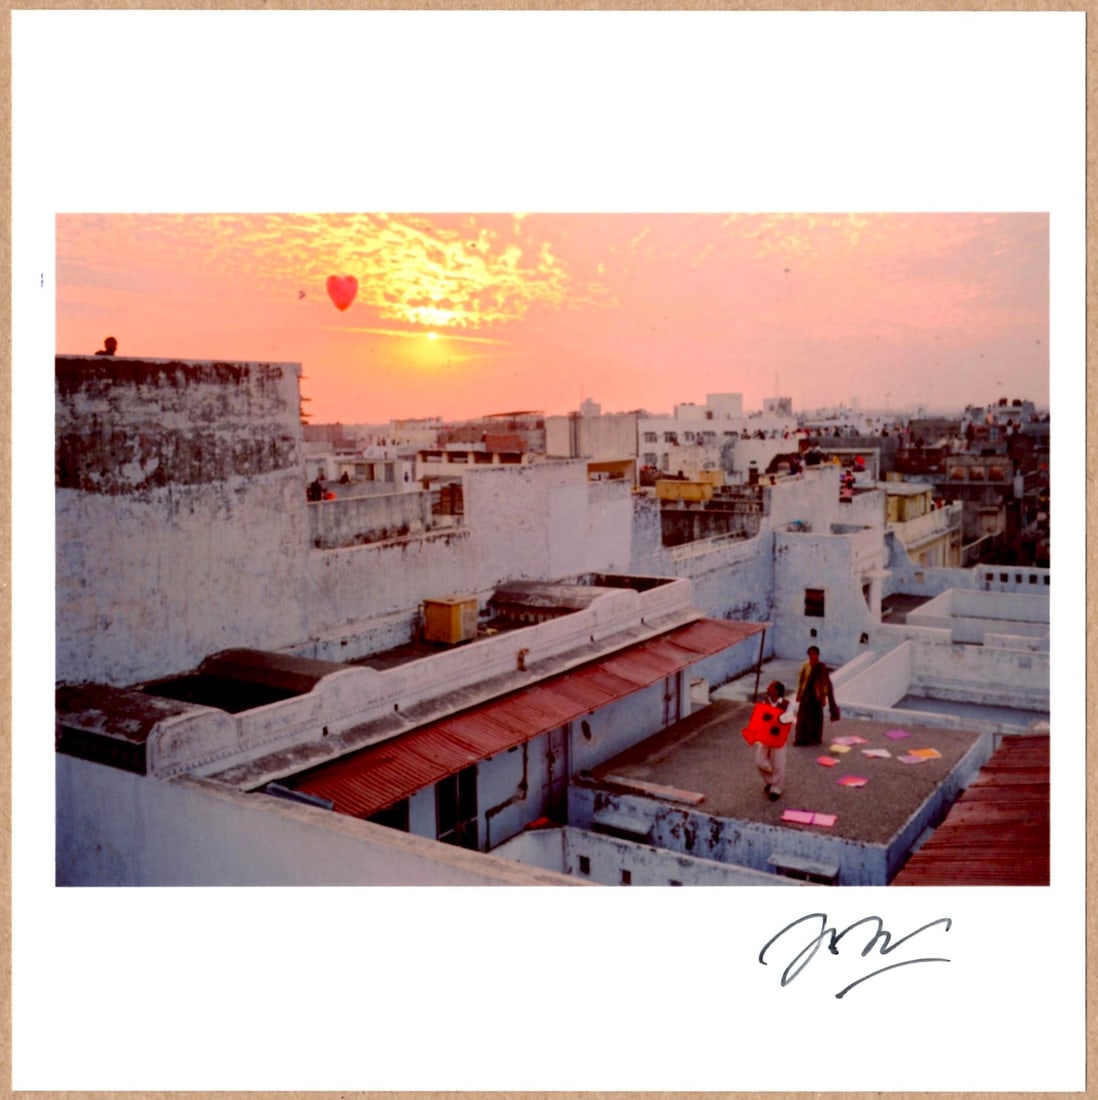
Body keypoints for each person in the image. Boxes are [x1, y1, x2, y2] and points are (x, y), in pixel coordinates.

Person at [742, 680, 793, 801]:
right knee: (759, 761)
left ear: (777, 691)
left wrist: (777, 718)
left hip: (779, 738)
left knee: (779, 763)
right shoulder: (765, 702)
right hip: (766, 737)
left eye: (771, 687)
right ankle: (771, 780)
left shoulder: (787, 704)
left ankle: (776, 789)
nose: (768, 688)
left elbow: (789, 718)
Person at [793, 645, 840, 746]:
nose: (812, 656)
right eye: (811, 654)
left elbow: (824, 683)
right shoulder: (805, 666)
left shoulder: (821, 667)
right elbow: (801, 680)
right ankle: (801, 739)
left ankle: (814, 738)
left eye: (814, 653)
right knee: (803, 717)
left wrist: (823, 697)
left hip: (816, 696)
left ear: (818, 655)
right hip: (806, 695)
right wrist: (799, 693)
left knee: (815, 718)